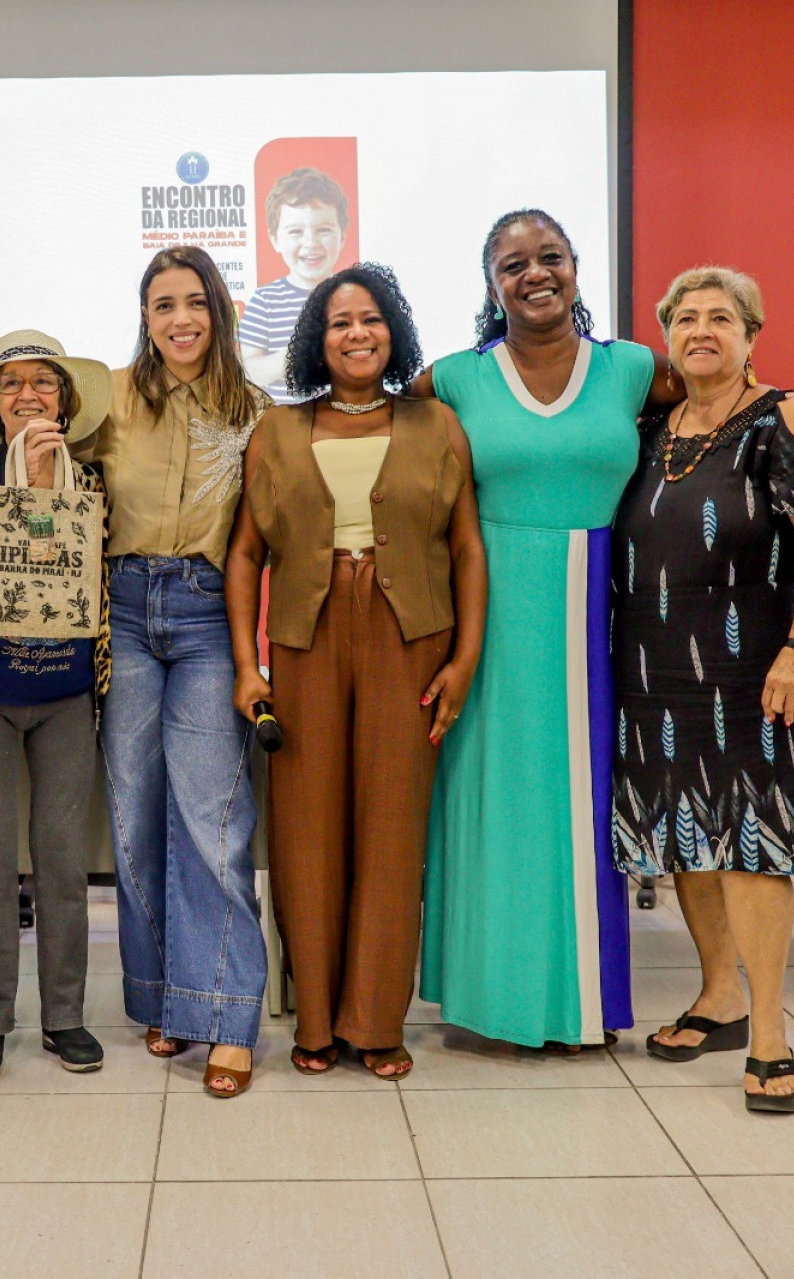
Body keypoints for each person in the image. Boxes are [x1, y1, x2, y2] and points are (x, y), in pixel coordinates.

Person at [413, 208, 794, 1052]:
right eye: (514, 263)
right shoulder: (456, 378)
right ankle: (494, 994)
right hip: (497, 615)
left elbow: (735, 398)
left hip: (601, 626)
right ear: (491, 281)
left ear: (578, 269)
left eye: (551, 257)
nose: (534, 273)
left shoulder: (624, 370)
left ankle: (597, 1004)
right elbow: (379, 425)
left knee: (583, 809)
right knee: (501, 806)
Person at [616, 268, 794, 1113]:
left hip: (757, 672)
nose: (700, 329)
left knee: (753, 845)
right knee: (686, 832)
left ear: (751, 333)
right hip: (657, 672)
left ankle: (768, 1031)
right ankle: (717, 993)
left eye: (720, 317)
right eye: (684, 317)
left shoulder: (788, 420)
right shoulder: (654, 424)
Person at [225, 264, 486, 1079]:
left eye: (370, 319)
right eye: (339, 322)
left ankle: (375, 1021)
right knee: (304, 833)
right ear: (316, 339)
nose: (357, 334)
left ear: (393, 331)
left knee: (391, 827)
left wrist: (466, 658)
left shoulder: (436, 421)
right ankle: (314, 1023)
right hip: (304, 639)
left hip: (410, 636)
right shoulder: (277, 428)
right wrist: (246, 663)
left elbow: (468, 548)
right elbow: (244, 552)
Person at [73, 245, 273, 1098]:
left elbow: (262, 539)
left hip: (203, 615)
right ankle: (162, 996)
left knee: (211, 815)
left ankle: (227, 1015)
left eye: (195, 302)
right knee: (133, 816)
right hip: (119, 610)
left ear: (218, 310)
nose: (180, 319)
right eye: (164, 305)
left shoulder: (256, 410)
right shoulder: (107, 398)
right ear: (144, 316)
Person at [0, 330, 115, 1083]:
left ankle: (65, 1016)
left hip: (68, 690)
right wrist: (27, 484)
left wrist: (53, 481)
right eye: (11, 385)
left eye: (44, 382)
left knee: (65, 859)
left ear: (66, 403)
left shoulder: (98, 483)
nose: (29, 395)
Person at [238, 167, 350, 403]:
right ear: (275, 240)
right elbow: (249, 371)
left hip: (344, 424)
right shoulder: (265, 301)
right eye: (296, 232)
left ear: (342, 236)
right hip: (285, 429)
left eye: (324, 230)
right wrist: (298, 352)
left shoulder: (354, 296)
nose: (311, 243)